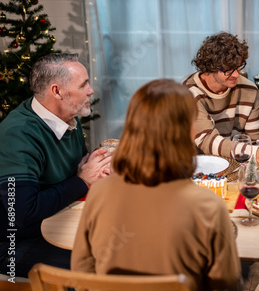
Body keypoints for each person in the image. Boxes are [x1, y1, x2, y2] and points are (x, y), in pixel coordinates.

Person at [71, 79, 241, 291]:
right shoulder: (209, 206)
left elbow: (82, 270)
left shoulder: (99, 191)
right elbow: (226, 284)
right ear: (187, 132)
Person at [0, 53, 111, 277]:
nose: (91, 90)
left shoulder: (70, 117)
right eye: (84, 84)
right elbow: (22, 213)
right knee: (104, 263)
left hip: (59, 222)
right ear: (57, 91)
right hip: (13, 243)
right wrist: (82, 180)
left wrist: (97, 167)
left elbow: (80, 165)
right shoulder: (19, 134)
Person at [184, 31, 259, 168]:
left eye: (239, 66)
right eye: (228, 69)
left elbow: (253, 139)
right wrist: (256, 153)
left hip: (237, 162)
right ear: (210, 67)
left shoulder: (249, 90)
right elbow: (207, 140)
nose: (236, 74)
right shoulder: (189, 93)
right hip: (198, 164)